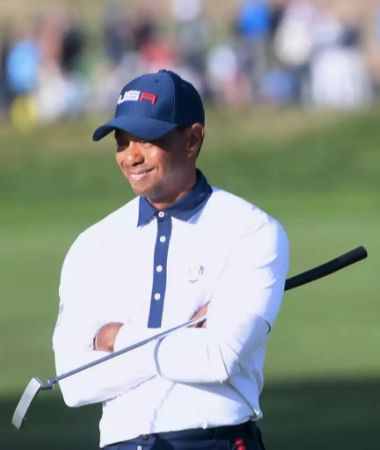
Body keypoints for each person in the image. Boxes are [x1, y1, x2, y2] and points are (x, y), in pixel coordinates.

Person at [52, 69, 289, 449]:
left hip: (215, 441)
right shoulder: (92, 244)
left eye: (146, 139)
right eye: (122, 142)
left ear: (192, 139)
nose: (131, 156)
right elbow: (74, 382)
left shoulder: (252, 231)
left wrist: (118, 338)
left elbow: (219, 359)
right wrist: (180, 340)